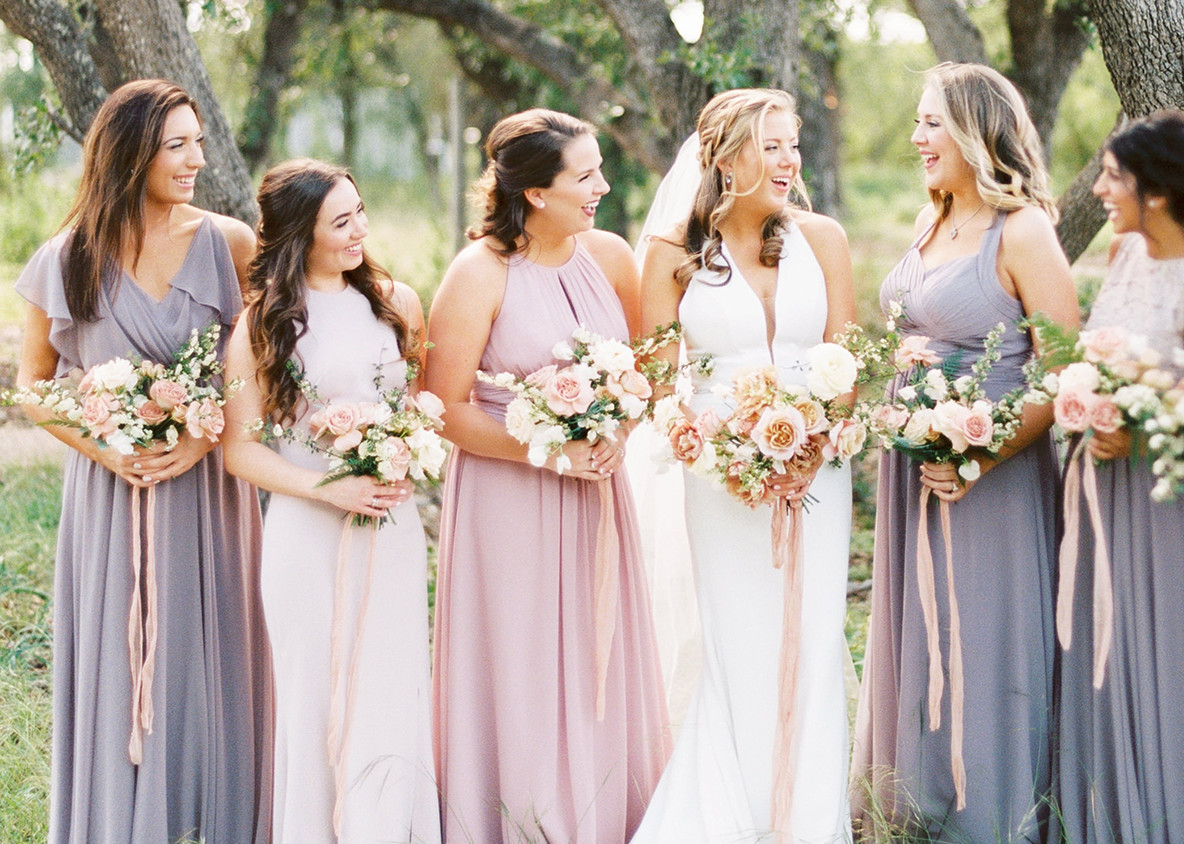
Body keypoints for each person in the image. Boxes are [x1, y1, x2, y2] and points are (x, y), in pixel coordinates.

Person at [12, 78, 271, 843]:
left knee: (214, 660)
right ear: (130, 156)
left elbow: (258, 366)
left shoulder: (230, 244)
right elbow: (34, 388)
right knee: (117, 671)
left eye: (197, 140)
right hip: (109, 496)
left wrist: (200, 436)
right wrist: (108, 447)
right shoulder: (66, 258)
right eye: (177, 145)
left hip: (210, 494)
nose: (196, 158)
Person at [425, 108, 669, 843]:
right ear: (534, 192)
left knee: (598, 650)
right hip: (511, 493)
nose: (602, 184)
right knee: (522, 654)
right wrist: (549, 451)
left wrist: (615, 432)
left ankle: (602, 814)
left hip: (597, 490)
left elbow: (642, 375)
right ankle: (518, 818)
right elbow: (443, 407)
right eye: (585, 174)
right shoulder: (479, 273)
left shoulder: (613, 256)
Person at [850, 62, 1079, 843]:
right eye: (915, 122)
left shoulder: (1024, 231)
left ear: (977, 131)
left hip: (993, 474)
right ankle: (921, 803)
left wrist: (981, 455)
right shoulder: (929, 218)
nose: (917, 138)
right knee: (924, 630)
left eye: (930, 123)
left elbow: (1061, 368)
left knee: (985, 637)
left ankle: (996, 816)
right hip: (916, 464)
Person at [629, 87, 858, 844]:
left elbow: (847, 362)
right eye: (773, 145)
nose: (790, 159)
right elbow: (661, 385)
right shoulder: (671, 255)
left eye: (794, 144)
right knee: (738, 642)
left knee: (817, 636)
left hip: (817, 469)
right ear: (726, 156)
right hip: (721, 474)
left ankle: (808, 822)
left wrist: (814, 446)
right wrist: (722, 449)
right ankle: (728, 817)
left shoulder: (823, 238)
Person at [1048, 111, 1184, 842]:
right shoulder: (1127, 256)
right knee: (1094, 654)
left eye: (1114, 176)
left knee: (1151, 655)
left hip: (1160, 501)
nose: (1101, 189)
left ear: (1158, 193)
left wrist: (1136, 431)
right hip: (1096, 486)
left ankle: (1163, 818)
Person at [222, 159, 441, 843]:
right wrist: (329, 485)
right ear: (299, 234)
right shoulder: (261, 323)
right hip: (303, 535)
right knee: (313, 696)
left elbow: (413, 408)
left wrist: (405, 450)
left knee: (391, 684)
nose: (360, 230)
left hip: (389, 527)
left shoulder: (395, 302)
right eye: (340, 221)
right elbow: (239, 449)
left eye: (361, 212)